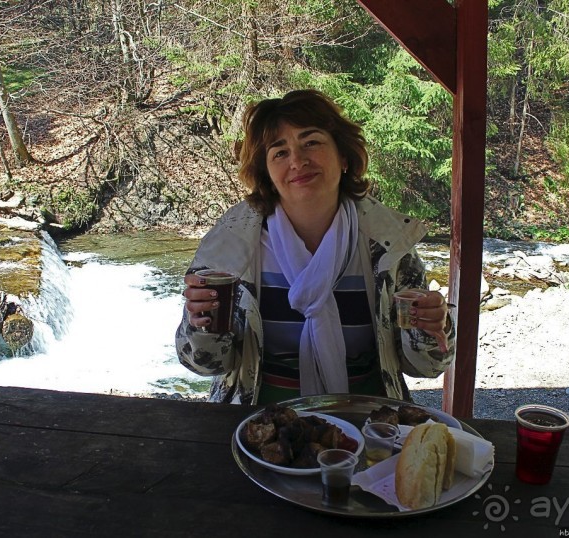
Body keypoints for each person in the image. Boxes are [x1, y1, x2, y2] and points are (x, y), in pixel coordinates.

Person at [176, 89, 455, 405]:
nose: (297, 160)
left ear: (344, 157)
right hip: (256, 426)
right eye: (279, 152)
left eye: (312, 142)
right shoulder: (232, 249)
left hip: (369, 423)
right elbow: (202, 363)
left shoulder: (388, 246)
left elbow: (427, 366)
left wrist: (432, 327)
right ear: (267, 173)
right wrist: (202, 326)